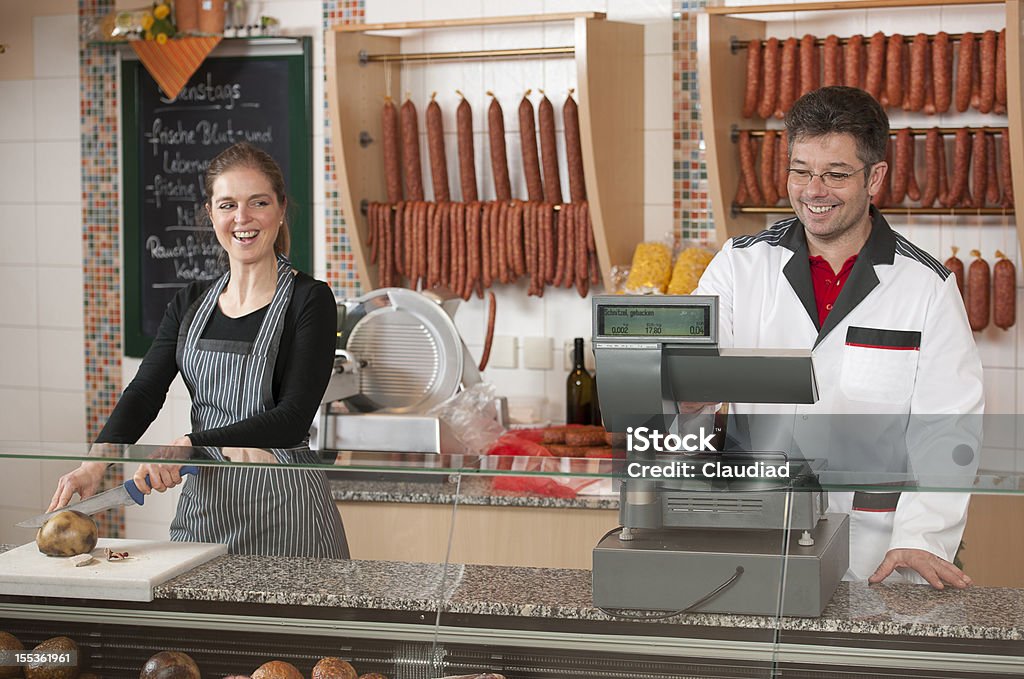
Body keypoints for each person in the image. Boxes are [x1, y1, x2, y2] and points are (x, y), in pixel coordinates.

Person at [695, 86, 983, 589]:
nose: (813, 190)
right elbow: (690, 379)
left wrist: (923, 535)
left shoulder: (926, 286)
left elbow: (949, 428)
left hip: (879, 551)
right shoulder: (739, 265)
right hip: (760, 534)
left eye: (835, 174)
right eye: (801, 170)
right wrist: (679, 392)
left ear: (875, 177)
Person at [49, 142, 348, 558]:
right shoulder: (190, 301)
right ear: (211, 215)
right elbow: (144, 392)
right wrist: (95, 465)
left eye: (257, 202)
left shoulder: (310, 299)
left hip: (286, 513)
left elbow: (291, 419)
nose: (242, 218)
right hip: (206, 511)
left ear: (280, 210)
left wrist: (191, 442)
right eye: (227, 205)